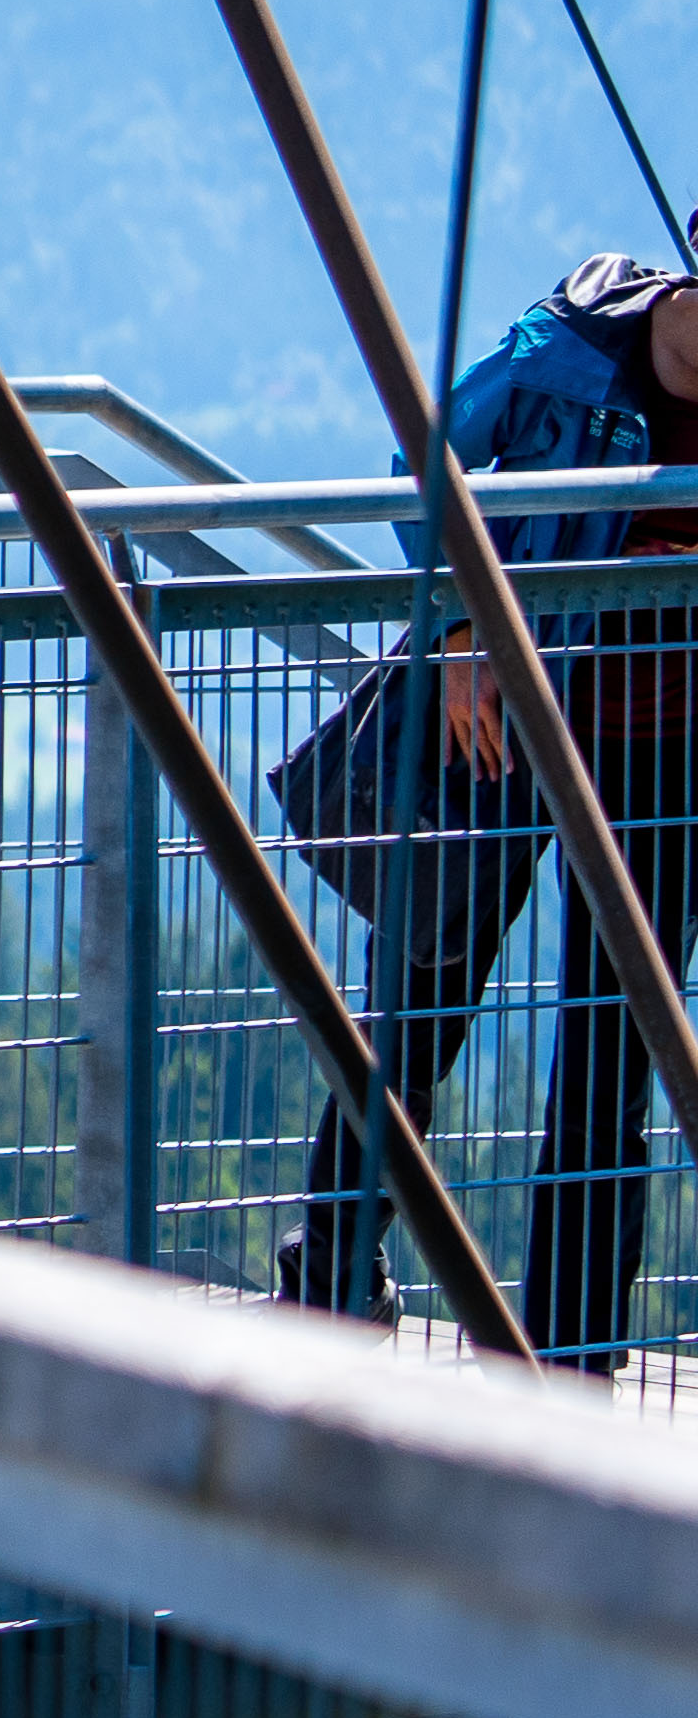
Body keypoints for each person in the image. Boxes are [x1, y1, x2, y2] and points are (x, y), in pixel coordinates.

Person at [275, 233, 698, 1356]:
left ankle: (569, 1351)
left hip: (666, 756)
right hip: (507, 718)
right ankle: (331, 1268)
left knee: (612, 1056)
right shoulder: (571, 343)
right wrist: (460, 626)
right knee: (420, 1002)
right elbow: (426, 467)